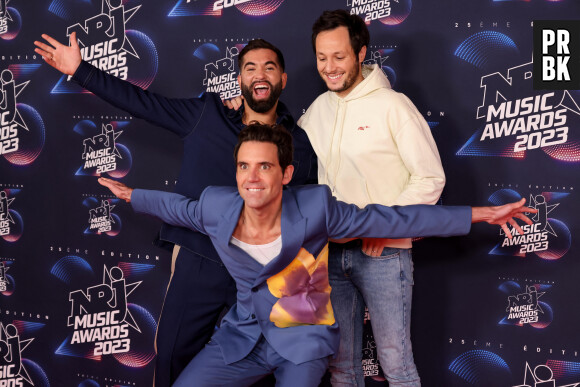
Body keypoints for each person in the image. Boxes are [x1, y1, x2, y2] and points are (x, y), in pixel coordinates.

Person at [98, 123, 534, 387]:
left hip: (301, 341)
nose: (251, 178)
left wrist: (480, 214)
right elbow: (179, 209)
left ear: (285, 173)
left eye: (264, 166)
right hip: (242, 337)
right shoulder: (217, 205)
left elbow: (394, 220)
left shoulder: (314, 209)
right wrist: (133, 194)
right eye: (243, 166)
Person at [34, 34, 317, 386]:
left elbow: (307, 214)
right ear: (240, 79)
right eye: (251, 68)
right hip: (200, 257)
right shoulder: (207, 115)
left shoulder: (300, 144)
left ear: (282, 79)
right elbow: (143, 103)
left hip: (259, 271)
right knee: (172, 356)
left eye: (269, 68)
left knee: (256, 367)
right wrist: (80, 70)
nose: (260, 75)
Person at [298, 9, 446, 386]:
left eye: (339, 56)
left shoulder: (394, 106)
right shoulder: (315, 112)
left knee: (396, 364)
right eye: (321, 57)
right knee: (341, 367)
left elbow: (430, 178)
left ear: (361, 53)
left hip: (385, 253)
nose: (329, 67)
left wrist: (383, 225)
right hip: (330, 255)